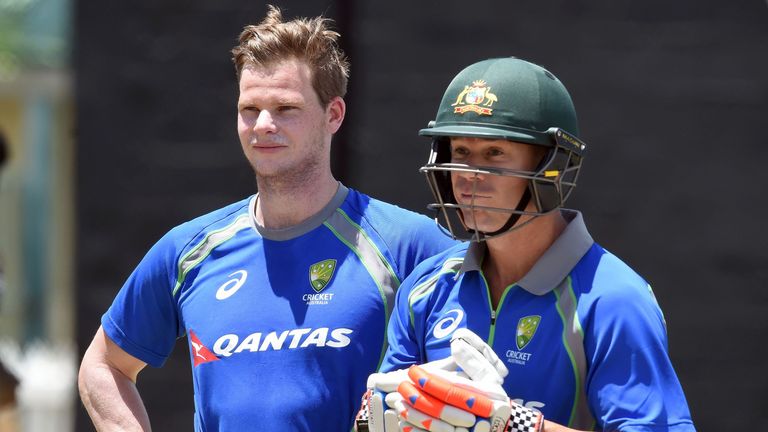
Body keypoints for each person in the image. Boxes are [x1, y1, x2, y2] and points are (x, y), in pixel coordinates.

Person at [77, 6, 456, 431]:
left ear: (334, 114)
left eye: (285, 108)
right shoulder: (188, 250)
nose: (263, 125)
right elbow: (104, 365)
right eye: (250, 108)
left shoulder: (409, 245)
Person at [370, 57, 695, 431]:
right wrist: (382, 415)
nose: (469, 176)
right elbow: (382, 410)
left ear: (550, 167)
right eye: (460, 152)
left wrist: (516, 425)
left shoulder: (614, 300)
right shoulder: (426, 287)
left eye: (494, 153)